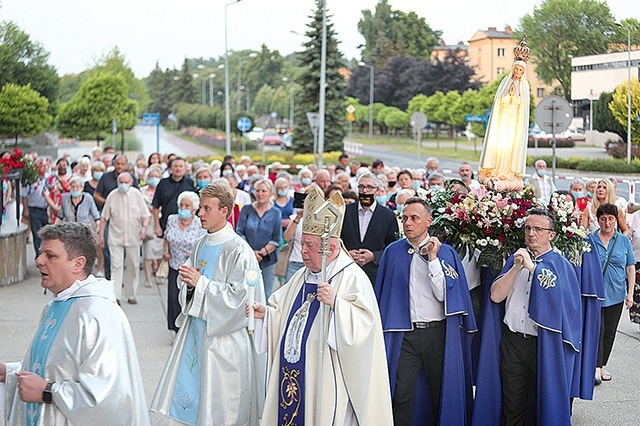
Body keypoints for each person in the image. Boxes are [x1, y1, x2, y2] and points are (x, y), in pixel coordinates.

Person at [249, 186, 393, 425]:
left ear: (332, 248)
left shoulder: (352, 278)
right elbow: (283, 313)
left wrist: (337, 303)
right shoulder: (303, 275)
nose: (303, 251)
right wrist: (266, 315)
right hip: (297, 372)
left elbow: (366, 328)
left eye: (310, 246)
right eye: (302, 244)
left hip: (328, 373)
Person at [0, 222, 149, 425]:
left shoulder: (99, 315)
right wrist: (9, 373)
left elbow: (109, 396)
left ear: (78, 264)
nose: (38, 261)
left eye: (50, 256)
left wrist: (47, 392)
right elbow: (57, 368)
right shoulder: (58, 304)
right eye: (40, 253)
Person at [150, 181, 266, 425]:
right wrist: (189, 285)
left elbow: (241, 299)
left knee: (221, 410)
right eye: (199, 208)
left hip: (224, 343)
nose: (199, 214)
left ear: (224, 211)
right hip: (198, 334)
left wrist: (200, 283)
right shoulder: (201, 243)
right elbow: (191, 286)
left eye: (206, 209)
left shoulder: (239, 250)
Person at [472, 208, 582, 426]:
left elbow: (562, 303)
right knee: (512, 403)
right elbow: (495, 296)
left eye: (538, 229)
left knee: (543, 402)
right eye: (528, 228)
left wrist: (534, 269)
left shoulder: (561, 265)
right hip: (513, 342)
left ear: (551, 234)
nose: (532, 233)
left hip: (543, 345)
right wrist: (516, 267)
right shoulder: (516, 258)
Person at [375, 197, 477, 426]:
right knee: (402, 395)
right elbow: (384, 294)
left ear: (428, 221)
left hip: (437, 334)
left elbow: (445, 295)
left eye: (414, 218)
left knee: (440, 392)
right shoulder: (393, 252)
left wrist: (432, 259)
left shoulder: (446, 253)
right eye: (404, 218)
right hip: (405, 334)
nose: (408, 223)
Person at [589, 203, 635, 383]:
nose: (607, 223)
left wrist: (630, 294)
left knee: (609, 332)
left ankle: (603, 366)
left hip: (616, 293)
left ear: (616, 220)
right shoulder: (590, 239)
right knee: (598, 331)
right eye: (603, 219)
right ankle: (596, 368)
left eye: (611, 219)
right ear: (598, 220)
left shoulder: (623, 240)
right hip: (595, 294)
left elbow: (630, 267)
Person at [478, 37, 531, 191]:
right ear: (513, 69)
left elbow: (524, 105)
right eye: (516, 70)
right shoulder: (505, 83)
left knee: (510, 146)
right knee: (499, 145)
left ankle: (507, 172)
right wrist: (509, 96)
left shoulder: (525, 86)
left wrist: (515, 98)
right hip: (502, 119)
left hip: (514, 121)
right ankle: (495, 169)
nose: (518, 73)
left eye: (521, 71)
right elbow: (499, 100)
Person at [98, 172, 150, 305]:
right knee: (116, 266)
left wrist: (144, 227)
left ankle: (131, 294)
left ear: (131, 183)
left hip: (134, 236)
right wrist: (101, 235)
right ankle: (116, 296)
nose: (123, 185)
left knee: (133, 265)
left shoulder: (137, 195)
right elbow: (104, 217)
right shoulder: (112, 195)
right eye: (121, 182)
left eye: (126, 182)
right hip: (116, 237)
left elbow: (146, 214)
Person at [341, 172, 398, 285]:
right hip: (346, 273)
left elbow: (393, 247)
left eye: (369, 187)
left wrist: (374, 256)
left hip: (374, 275)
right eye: (361, 187)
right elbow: (335, 239)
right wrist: (346, 253)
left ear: (377, 190)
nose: (365, 191)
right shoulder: (344, 211)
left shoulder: (388, 216)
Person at [162, 191, 206, 332]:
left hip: (191, 269)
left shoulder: (199, 223)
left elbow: (204, 243)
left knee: (189, 299)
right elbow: (166, 237)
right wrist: (166, 251)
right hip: (175, 266)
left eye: (187, 205)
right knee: (174, 299)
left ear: (194, 208)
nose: (183, 208)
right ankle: (176, 330)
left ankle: (188, 330)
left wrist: (195, 254)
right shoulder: (172, 219)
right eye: (181, 205)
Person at [236, 178, 282, 299]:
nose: (260, 194)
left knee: (266, 295)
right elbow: (240, 232)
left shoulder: (276, 213)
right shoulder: (247, 209)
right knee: (246, 293)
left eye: (264, 191)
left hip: (268, 260)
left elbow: (276, 238)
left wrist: (261, 253)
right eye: (258, 191)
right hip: (247, 259)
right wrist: (251, 253)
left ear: (271, 193)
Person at [152, 157, 194, 237]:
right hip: (166, 224)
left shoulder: (190, 183)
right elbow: (155, 206)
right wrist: (157, 226)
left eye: (181, 166)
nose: (178, 169)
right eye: (176, 166)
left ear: (185, 168)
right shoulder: (163, 183)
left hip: (186, 225)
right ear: (171, 168)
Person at [20, 158, 50, 258]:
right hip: (34, 209)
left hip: (47, 209)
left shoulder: (49, 178)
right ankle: (39, 255)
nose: (43, 168)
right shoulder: (30, 179)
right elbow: (24, 195)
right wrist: (26, 210)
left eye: (45, 166)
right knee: (38, 234)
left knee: (48, 234)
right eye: (41, 166)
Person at [141, 165, 164, 288]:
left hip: (160, 223)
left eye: (156, 176)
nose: (154, 178)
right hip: (148, 225)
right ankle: (148, 278)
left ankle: (160, 274)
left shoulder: (162, 191)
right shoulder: (142, 191)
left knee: (160, 251)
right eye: (152, 176)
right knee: (148, 253)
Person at [43, 157, 71, 224]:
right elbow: (45, 193)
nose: (62, 167)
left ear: (67, 166)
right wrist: (54, 207)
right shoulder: (50, 179)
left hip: (68, 210)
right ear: (56, 166)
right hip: (54, 210)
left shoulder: (72, 180)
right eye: (60, 165)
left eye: (64, 165)